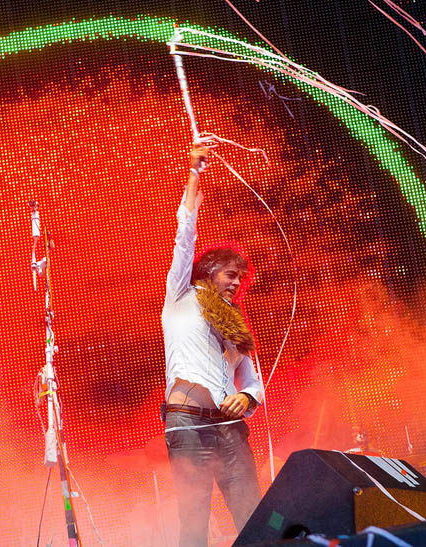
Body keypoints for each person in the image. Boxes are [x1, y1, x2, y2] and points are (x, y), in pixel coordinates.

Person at [162, 143, 265, 546]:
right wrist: (195, 171)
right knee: (194, 525)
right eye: (229, 273)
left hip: (229, 428)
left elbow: (251, 381)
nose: (237, 281)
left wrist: (247, 398)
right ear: (207, 272)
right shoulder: (180, 296)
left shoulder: (234, 325)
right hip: (187, 424)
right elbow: (184, 235)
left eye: (241, 276)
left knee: (253, 516)